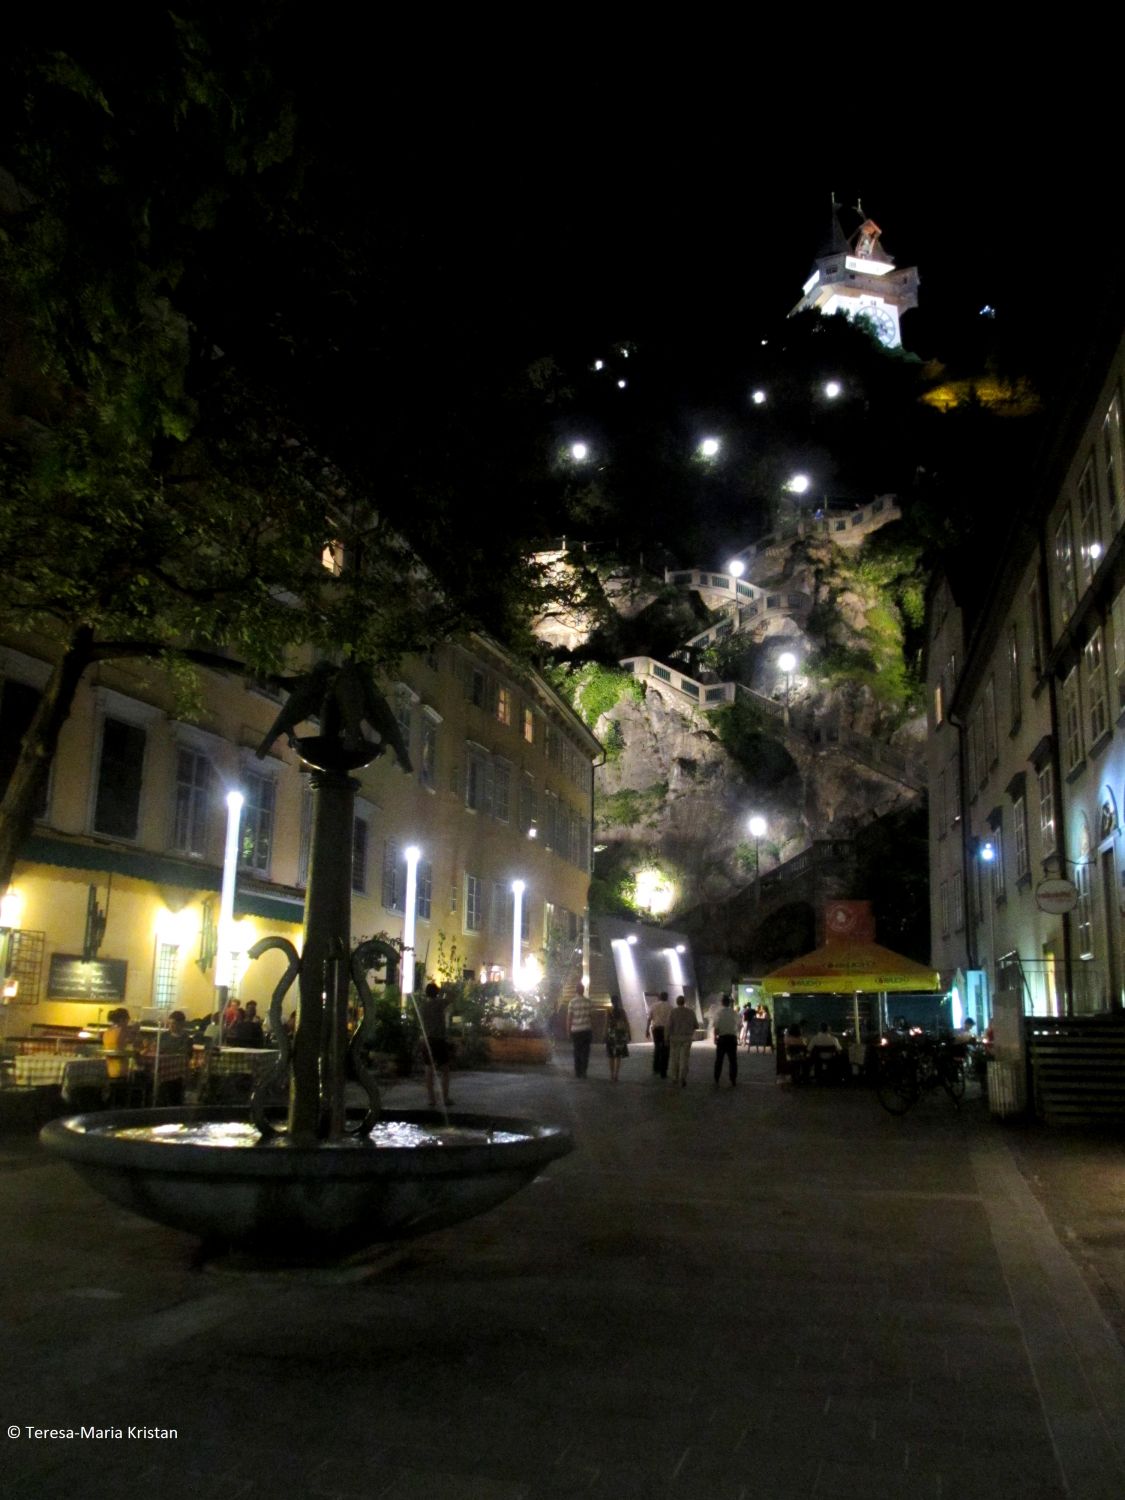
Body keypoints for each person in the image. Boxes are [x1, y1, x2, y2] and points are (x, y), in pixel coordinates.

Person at [419, 981, 452, 1107]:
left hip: (427, 1040)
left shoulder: (423, 1006)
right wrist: (445, 989)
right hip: (439, 1039)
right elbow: (452, 997)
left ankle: (431, 1098)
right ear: (436, 993)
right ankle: (445, 1097)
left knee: (428, 1069)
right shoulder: (439, 1003)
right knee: (445, 1069)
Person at [667, 994, 697, 1087]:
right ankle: (682, 1077)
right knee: (684, 1058)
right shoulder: (691, 1012)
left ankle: (674, 1077)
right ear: (684, 1002)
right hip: (687, 1038)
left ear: (677, 1002)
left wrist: (666, 1037)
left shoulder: (673, 1012)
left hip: (675, 1038)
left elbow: (669, 1025)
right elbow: (696, 1025)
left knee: (674, 1058)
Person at [568, 981, 593, 1078]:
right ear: (583, 991)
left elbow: (569, 1017)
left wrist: (568, 1030)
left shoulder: (572, 1002)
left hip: (576, 1031)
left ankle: (578, 1072)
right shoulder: (588, 1002)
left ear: (576, 991)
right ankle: (584, 1072)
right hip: (586, 1030)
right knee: (586, 1052)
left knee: (577, 1051)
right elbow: (591, 1016)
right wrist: (592, 1028)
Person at [713, 994, 739, 1087]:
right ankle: (733, 1079)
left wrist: (715, 1038)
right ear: (729, 1003)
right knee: (733, 1060)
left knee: (719, 1060)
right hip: (732, 1039)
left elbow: (716, 1027)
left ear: (722, 1003)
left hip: (722, 1039)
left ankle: (716, 1078)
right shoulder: (734, 1013)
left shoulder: (718, 1013)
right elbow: (739, 1024)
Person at [604, 994, 630, 1082]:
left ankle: (611, 1075)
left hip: (611, 1035)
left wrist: (604, 1034)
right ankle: (616, 1075)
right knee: (618, 1056)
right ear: (618, 1002)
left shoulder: (608, 1011)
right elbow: (627, 1023)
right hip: (620, 1035)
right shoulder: (622, 1011)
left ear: (611, 1002)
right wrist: (628, 1034)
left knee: (611, 1056)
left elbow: (606, 1024)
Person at [647, 990, 672, 1078]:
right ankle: (663, 1070)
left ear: (659, 997)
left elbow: (649, 1019)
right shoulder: (670, 1007)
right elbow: (671, 1020)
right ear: (667, 997)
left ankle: (655, 1068)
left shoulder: (653, 1006)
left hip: (656, 1029)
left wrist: (647, 1030)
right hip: (666, 1030)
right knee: (666, 1049)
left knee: (657, 1048)